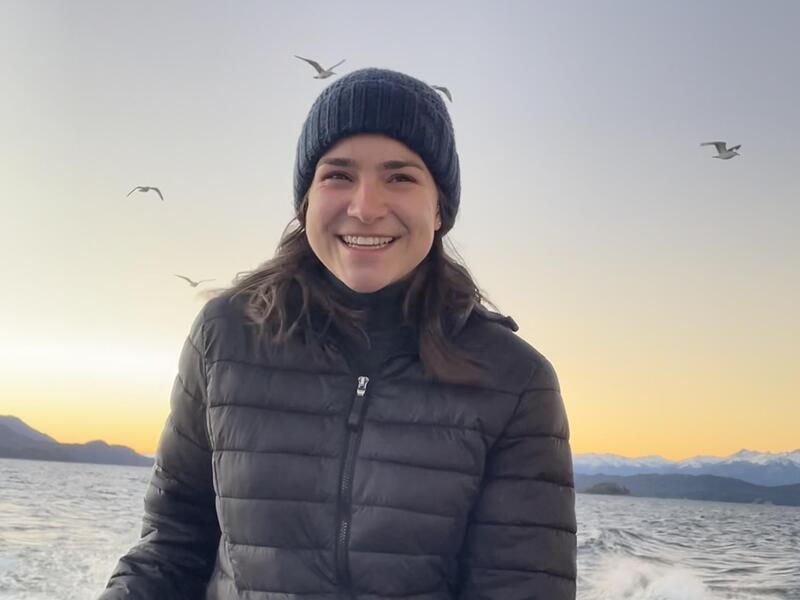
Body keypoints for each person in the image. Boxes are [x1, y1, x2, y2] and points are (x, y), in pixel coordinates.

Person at [99, 67, 577, 600]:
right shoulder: (225, 337)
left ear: (439, 208)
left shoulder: (515, 380)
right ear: (305, 200)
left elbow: (520, 587)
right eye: (338, 175)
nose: (365, 207)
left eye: (400, 177)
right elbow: (173, 542)